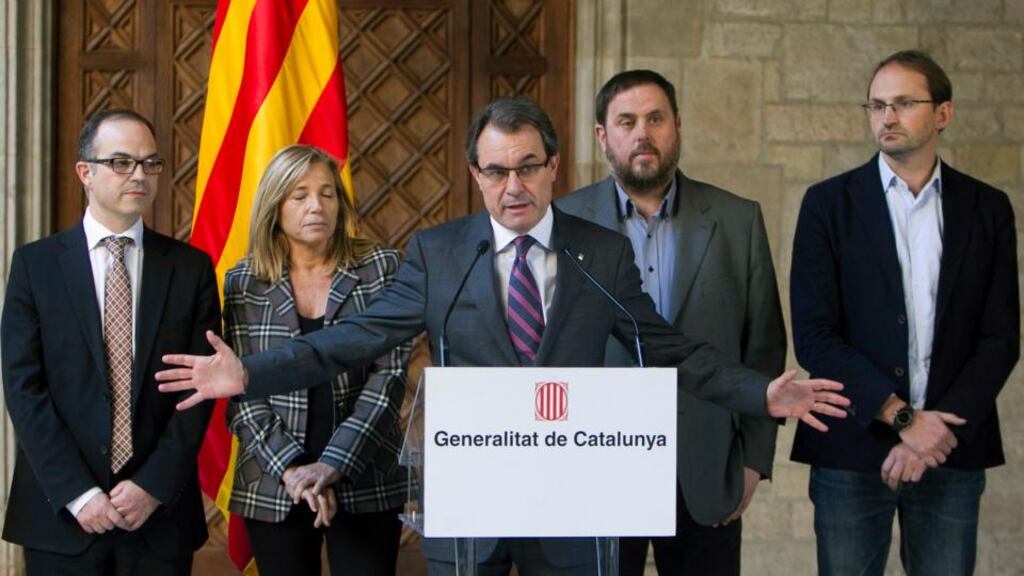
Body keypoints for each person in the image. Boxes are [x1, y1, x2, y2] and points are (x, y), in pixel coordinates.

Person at [157, 96, 849, 576]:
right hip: (473, 504)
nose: (511, 185)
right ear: (475, 176)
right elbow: (356, 337)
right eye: (495, 170)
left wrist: (761, 393)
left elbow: (665, 347)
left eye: (526, 167)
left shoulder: (600, 254)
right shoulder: (437, 254)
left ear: (553, 167)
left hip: (574, 504)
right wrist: (249, 374)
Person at [790, 50, 1019, 575]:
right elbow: (816, 337)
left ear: (943, 113)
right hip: (851, 447)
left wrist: (933, 433)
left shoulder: (986, 208)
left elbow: (1000, 338)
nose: (886, 117)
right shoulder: (828, 204)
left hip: (949, 448)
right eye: (876, 105)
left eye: (902, 103)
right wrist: (902, 418)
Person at [557, 69, 785, 576]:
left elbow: (764, 346)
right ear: (603, 135)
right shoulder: (562, 224)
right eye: (627, 121)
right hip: (598, 470)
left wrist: (754, 459)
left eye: (656, 118)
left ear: (677, 125)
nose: (643, 133)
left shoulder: (736, 220)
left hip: (706, 467)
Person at [1, 109, 219, 575]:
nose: (138, 175)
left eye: (149, 163)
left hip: (159, 518)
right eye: (121, 162)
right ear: (86, 172)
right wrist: (78, 494)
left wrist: (153, 485)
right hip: (61, 516)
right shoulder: (35, 267)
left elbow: (199, 391)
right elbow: (24, 389)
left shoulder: (191, 269)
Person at [223, 145, 411, 575]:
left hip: (364, 473)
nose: (317, 206)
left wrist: (332, 465)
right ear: (275, 205)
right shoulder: (244, 281)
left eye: (327, 194)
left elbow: (389, 378)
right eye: (300, 195)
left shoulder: (379, 267)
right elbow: (241, 389)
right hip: (274, 480)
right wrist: (292, 470)